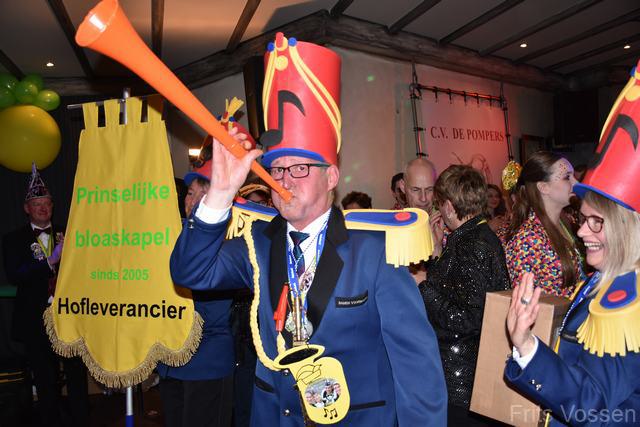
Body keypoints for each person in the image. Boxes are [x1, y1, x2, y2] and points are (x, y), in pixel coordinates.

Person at [170, 32, 447, 426]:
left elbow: (416, 367)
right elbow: (188, 272)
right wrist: (219, 194)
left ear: (331, 176)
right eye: (277, 169)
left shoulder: (375, 250)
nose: (285, 179)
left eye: (300, 168)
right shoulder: (257, 243)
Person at [505, 66, 640, 424]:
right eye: (584, 219)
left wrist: (527, 346)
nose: (582, 232)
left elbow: (594, 408)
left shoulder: (629, 304)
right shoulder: (607, 278)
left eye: (596, 222)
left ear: (627, 229)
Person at [158, 113, 250, 427]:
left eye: (203, 194)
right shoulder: (168, 235)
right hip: (170, 360)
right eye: (190, 193)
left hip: (207, 362)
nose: (193, 201)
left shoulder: (232, 240)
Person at [418, 165, 510, 426]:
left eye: (439, 203)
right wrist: (437, 254)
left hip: (463, 379)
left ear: (448, 206)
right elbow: (455, 289)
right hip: (465, 375)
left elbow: (468, 319)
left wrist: (422, 284)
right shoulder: (471, 236)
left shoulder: (472, 244)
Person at [2, 164, 89, 427]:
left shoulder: (68, 234)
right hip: (34, 320)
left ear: (52, 206)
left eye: (46, 204)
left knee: (76, 374)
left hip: (69, 318)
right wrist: (50, 261)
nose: (43, 208)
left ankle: (80, 420)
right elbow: (15, 274)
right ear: (26, 208)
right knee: (45, 378)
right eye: (37, 204)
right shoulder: (13, 239)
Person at [503, 151, 583, 298]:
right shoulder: (528, 238)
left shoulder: (564, 223)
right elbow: (524, 302)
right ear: (543, 187)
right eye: (567, 177)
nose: (576, 183)